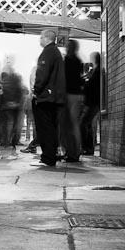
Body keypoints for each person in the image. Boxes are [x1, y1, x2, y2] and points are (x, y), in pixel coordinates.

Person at [33, 29, 66, 166]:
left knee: (45, 127)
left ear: (47, 38)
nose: (39, 40)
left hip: (46, 97)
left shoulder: (48, 52)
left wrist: (36, 90)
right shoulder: (56, 52)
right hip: (55, 97)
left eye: (41, 37)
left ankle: (48, 157)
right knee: (51, 126)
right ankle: (50, 156)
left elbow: (42, 74)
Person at [61, 39, 85, 162]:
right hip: (77, 94)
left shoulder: (68, 60)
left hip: (70, 95)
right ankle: (73, 151)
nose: (65, 47)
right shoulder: (78, 61)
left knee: (70, 125)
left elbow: (65, 78)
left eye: (67, 46)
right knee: (73, 125)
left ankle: (73, 152)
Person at [0, 59, 24, 159]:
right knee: (11, 126)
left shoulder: (3, 81)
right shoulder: (15, 79)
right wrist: (16, 102)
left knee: (7, 126)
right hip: (12, 106)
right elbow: (20, 91)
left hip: (7, 106)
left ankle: (6, 146)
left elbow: (1, 95)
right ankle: (9, 147)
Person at [81, 51, 101, 155]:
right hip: (92, 102)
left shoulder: (97, 71)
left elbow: (92, 86)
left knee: (84, 124)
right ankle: (88, 148)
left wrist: (84, 83)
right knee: (87, 124)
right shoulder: (95, 70)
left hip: (92, 102)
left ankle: (87, 148)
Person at [20, 65, 39, 153]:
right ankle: (33, 143)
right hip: (33, 109)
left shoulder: (28, 97)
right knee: (35, 126)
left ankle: (32, 143)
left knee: (30, 125)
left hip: (32, 109)